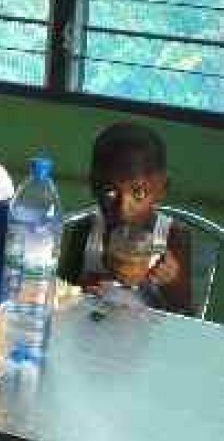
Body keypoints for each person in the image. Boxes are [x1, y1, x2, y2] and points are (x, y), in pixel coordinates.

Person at [58, 121, 192, 314]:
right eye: (110, 192)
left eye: (139, 193)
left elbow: (185, 313)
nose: (123, 208)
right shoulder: (86, 229)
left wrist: (172, 281)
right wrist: (83, 291)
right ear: (94, 186)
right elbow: (63, 291)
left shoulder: (172, 236)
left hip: (148, 332)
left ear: (162, 188)